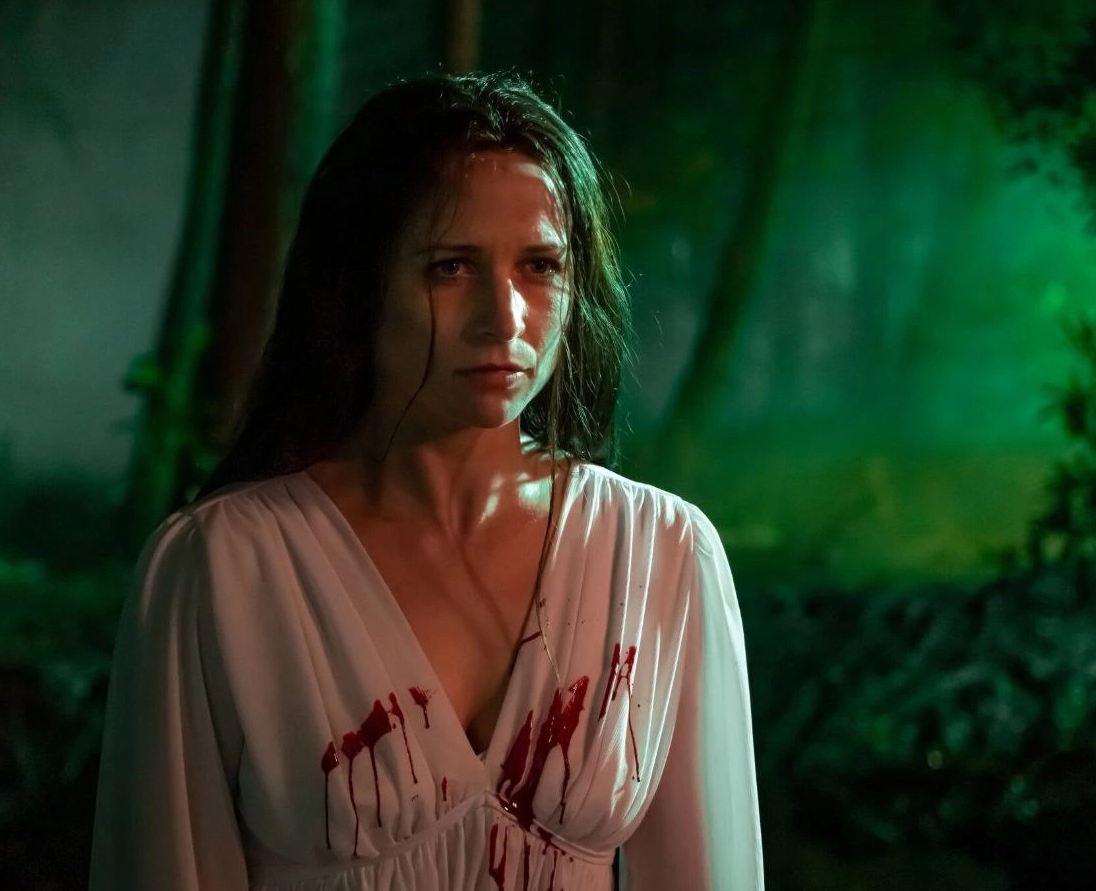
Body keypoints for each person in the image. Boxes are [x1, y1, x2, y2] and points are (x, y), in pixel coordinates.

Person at [88, 72, 763, 891]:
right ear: (358, 282)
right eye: (450, 267)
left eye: (540, 266)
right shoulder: (224, 567)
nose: (503, 319)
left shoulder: (658, 552)